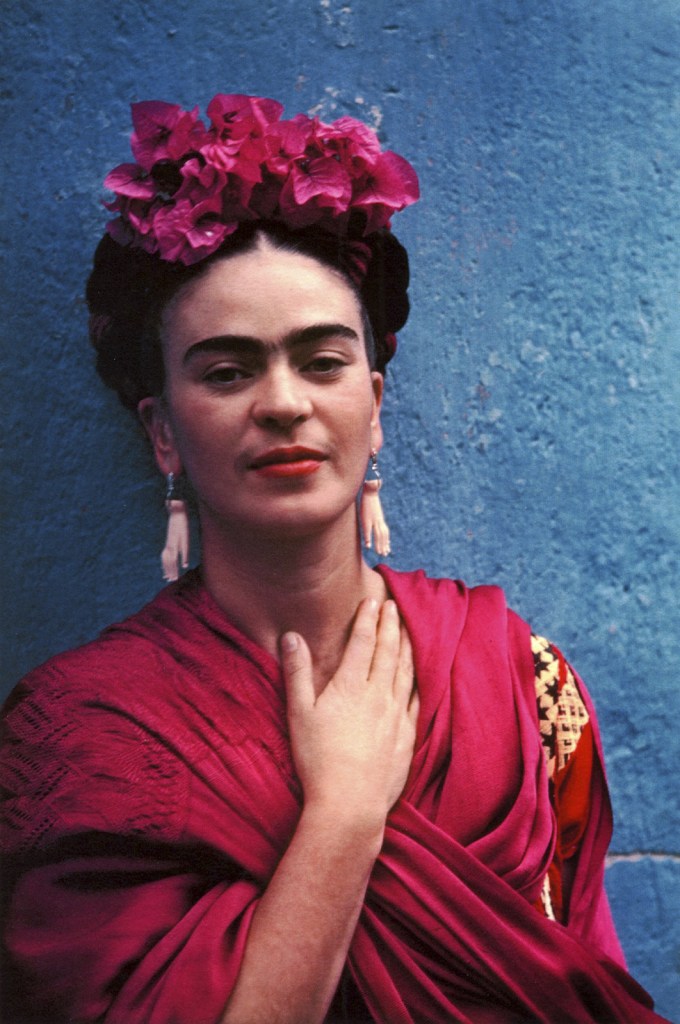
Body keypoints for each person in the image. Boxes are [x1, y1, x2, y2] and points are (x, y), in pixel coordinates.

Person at [0, 94, 670, 1024]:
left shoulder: (516, 682)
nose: (283, 402)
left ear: (376, 402)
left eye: (322, 361)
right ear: (161, 433)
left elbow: (582, 989)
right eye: (227, 371)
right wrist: (344, 816)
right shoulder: (87, 737)